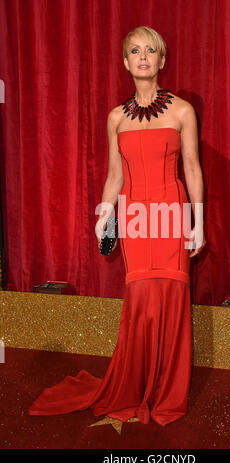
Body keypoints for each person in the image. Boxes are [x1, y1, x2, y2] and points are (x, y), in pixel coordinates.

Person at [28, 26, 205, 427]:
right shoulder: (114, 118)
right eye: (134, 51)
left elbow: (192, 167)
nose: (143, 56)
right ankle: (133, 385)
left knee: (171, 300)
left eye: (151, 50)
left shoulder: (182, 111)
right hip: (135, 219)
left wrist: (199, 222)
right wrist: (104, 216)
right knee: (141, 303)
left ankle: (165, 393)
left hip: (172, 216)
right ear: (125, 62)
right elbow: (113, 175)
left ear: (162, 60)